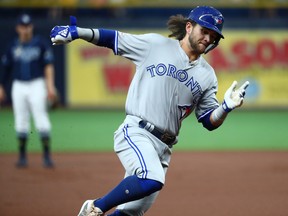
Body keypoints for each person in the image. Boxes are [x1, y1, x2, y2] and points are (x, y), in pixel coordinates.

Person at [50, 6, 249, 216]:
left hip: (164, 147)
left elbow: (208, 121)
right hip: (137, 132)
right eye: (205, 31)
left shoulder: (208, 75)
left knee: (131, 212)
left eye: (213, 36)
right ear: (189, 27)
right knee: (151, 178)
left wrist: (225, 108)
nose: (208, 38)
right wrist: (78, 32)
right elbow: (113, 39)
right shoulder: (155, 45)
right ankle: (94, 207)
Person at [0, 13, 57, 168]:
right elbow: (5, 69)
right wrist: (1, 86)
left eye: (28, 26)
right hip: (18, 85)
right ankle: (22, 156)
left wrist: (50, 86)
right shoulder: (12, 46)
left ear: (31, 27)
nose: (25, 29)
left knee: (41, 118)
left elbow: (48, 66)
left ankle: (46, 156)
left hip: (37, 84)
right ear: (18, 28)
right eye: (22, 26)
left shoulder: (40, 44)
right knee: (21, 119)